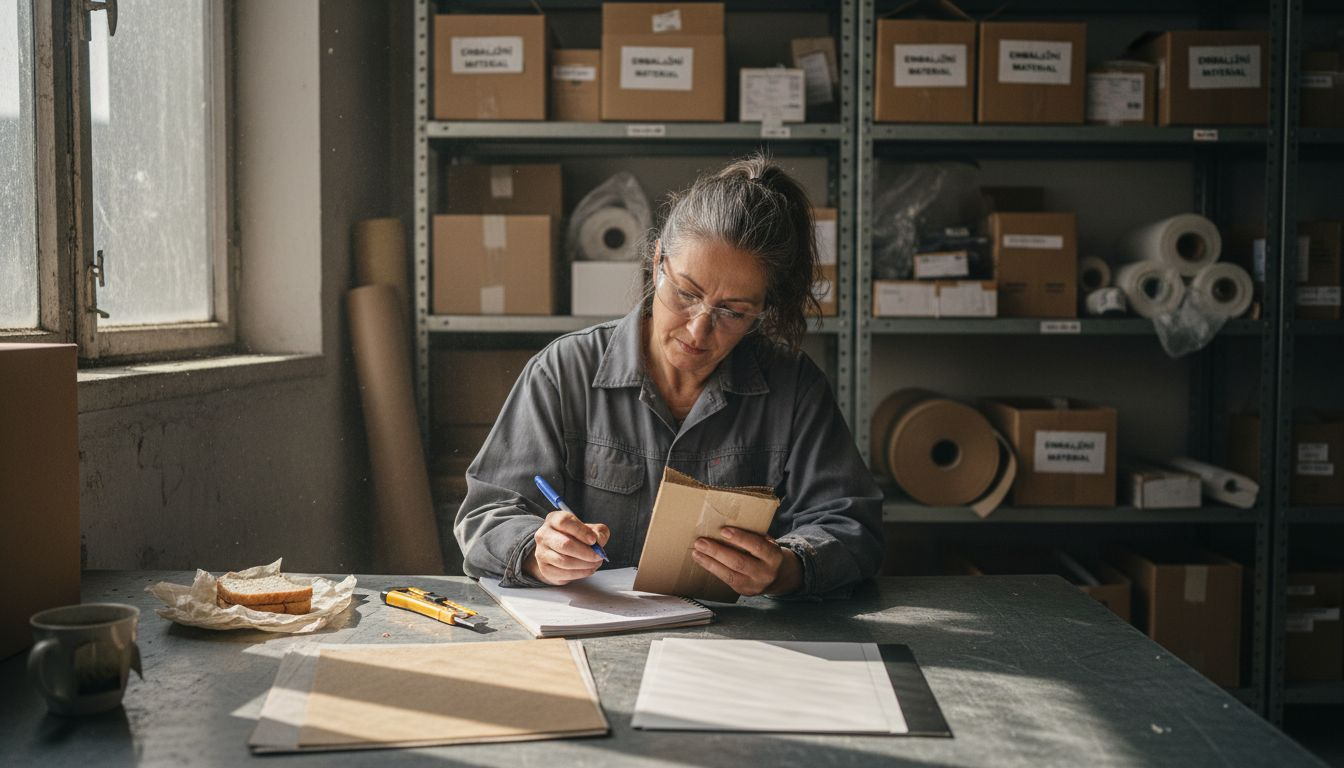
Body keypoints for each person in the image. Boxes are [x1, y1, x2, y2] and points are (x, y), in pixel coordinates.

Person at [454, 154, 883, 598]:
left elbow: (851, 524)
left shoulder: (794, 388)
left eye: (734, 312)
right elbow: (486, 513)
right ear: (658, 259)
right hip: (596, 632)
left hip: (741, 640)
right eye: (686, 293)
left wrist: (788, 567)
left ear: (764, 306)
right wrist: (536, 550)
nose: (699, 329)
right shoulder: (564, 372)